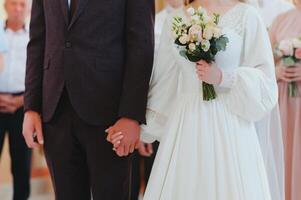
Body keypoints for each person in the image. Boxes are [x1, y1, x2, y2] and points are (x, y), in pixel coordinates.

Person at [109, 0, 284, 199]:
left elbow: (266, 80)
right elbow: (163, 83)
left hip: (232, 123)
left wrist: (223, 77)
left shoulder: (248, 16)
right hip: (187, 123)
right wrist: (137, 127)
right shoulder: (175, 19)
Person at [22, 0, 155, 199]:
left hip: (110, 114)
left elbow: (141, 44)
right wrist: (31, 107)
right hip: (55, 111)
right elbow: (37, 40)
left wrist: (131, 114)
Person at [130, 1, 183, 199]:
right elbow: (151, 75)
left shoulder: (206, 17)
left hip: (191, 109)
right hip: (160, 110)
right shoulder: (156, 22)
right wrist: (145, 122)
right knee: (156, 178)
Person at [269, 1, 301, 199]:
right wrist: (277, 71)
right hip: (283, 102)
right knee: (284, 150)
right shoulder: (280, 21)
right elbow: (261, 66)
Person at [0, 0, 30, 199]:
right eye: (13, 3)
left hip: (24, 107)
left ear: (28, 8)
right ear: (5, 7)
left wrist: (23, 101)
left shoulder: (36, 36)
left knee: (21, 165)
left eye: (22, 4)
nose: (17, 9)